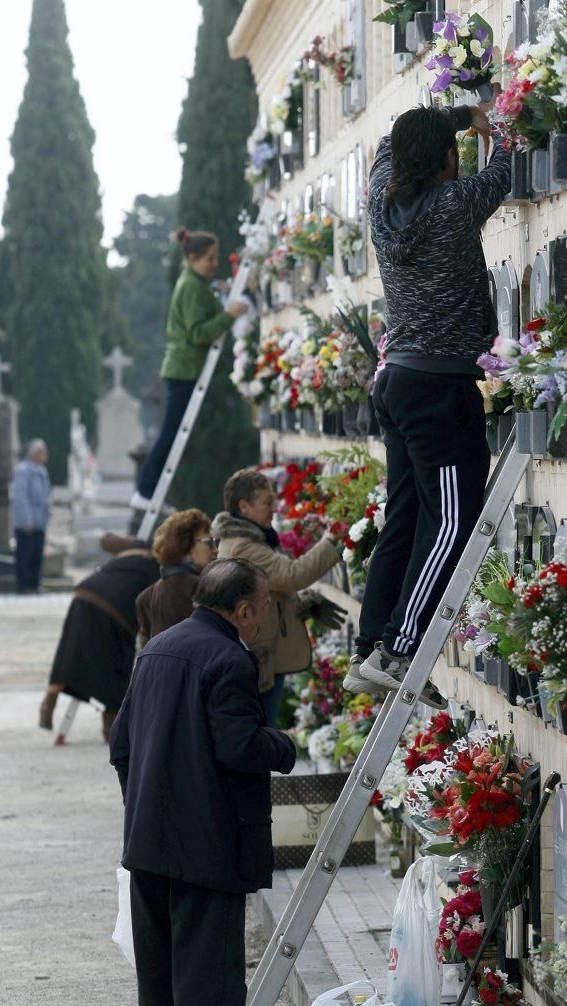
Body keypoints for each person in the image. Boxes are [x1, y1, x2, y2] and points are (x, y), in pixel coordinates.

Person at [109, 559, 297, 1006]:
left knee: (161, 970)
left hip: (150, 838)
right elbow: (238, 746)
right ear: (241, 610)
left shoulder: (158, 648)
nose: (263, 618)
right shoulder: (228, 658)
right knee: (208, 972)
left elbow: (121, 744)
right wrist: (283, 746)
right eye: (263, 608)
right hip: (208, 842)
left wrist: (144, 803)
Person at [343, 102, 511, 707]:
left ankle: (368, 648)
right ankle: (398, 649)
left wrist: (457, 121)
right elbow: (508, 167)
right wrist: (483, 117)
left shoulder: (380, 207)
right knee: (452, 523)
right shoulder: (453, 205)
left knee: (407, 518)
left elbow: (389, 148)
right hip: (439, 391)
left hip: (397, 382)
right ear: (446, 159)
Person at [212, 469, 347, 725]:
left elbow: (272, 590)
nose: (274, 508)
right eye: (266, 501)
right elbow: (292, 575)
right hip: (259, 658)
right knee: (259, 732)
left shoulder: (247, 539)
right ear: (244, 506)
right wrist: (332, 540)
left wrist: (301, 603)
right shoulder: (244, 546)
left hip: (262, 654)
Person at [130, 228, 248, 511]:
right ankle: (146, 491)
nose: (214, 263)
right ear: (192, 257)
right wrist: (228, 316)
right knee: (170, 433)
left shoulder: (193, 282)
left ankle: (148, 491)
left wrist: (218, 294)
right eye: (209, 258)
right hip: (184, 368)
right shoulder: (192, 287)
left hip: (183, 367)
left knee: (171, 432)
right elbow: (197, 333)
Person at [38, 534, 159, 739]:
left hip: (86, 592)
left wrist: (129, 541)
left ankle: (52, 693)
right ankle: (111, 726)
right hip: (117, 606)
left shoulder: (136, 547)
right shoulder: (165, 562)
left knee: (69, 651)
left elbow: (106, 540)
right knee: (117, 663)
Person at [135, 508, 216, 644]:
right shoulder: (202, 588)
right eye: (209, 542)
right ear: (186, 545)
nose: (216, 549)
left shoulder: (146, 597)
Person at [10, 439, 51, 594]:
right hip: (26, 523)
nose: (44, 455)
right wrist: (26, 520)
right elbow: (21, 498)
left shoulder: (42, 471)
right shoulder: (22, 471)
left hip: (40, 522)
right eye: (41, 452)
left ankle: (35, 584)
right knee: (25, 555)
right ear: (33, 454)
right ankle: (24, 585)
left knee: (37, 555)